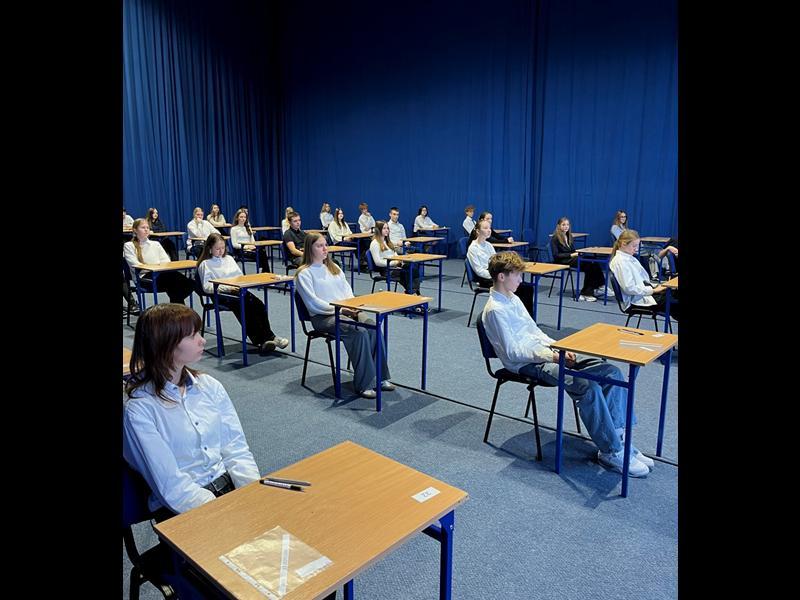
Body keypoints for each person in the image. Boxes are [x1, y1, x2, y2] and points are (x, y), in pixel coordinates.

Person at [481, 252, 654, 477]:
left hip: (545, 354)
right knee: (587, 386)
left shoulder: (513, 298)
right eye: (517, 275)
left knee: (611, 373)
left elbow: (534, 331)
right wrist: (551, 356)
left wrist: (558, 347)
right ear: (502, 277)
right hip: (525, 364)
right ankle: (611, 451)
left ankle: (619, 440)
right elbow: (514, 351)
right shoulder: (495, 310)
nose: (521, 280)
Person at [123, 303, 262, 518]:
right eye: (192, 335)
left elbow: (236, 448)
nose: (202, 340)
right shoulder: (140, 409)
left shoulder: (209, 386)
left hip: (228, 489)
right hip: (184, 508)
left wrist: (252, 492)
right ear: (165, 344)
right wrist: (223, 511)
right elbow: (171, 486)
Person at [295, 233, 393, 400]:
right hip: (323, 317)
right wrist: (341, 310)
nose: (325, 249)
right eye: (319, 246)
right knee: (359, 332)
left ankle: (380, 377)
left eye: (325, 245)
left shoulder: (334, 267)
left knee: (372, 326)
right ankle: (365, 383)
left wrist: (353, 306)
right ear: (309, 249)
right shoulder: (304, 273)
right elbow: (313, 303)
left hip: (346, 309)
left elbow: (347, 290)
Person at [197, 233, 289, 353]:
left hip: (237, 290)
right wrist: (226, 288)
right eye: (217, 249)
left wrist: (239, 285)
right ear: (209, 249)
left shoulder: (229, 259)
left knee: (259, 305)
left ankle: (269, 337)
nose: (221, 251)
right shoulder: (205, 264)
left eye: (223, 248)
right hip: (221, 295)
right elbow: (206, 287)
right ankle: (264, 340)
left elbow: (240, 276)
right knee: (245, 309)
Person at [609, 229, 679, 321]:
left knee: (676, 294)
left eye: (637, 245)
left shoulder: (629, 258)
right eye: (634, 246)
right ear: (623, 244)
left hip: (644, 294)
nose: (636, 249)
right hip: (637, 301)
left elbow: (643, 281)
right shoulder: (620, 262)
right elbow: (629, 288)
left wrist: (657, 287)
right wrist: (653, 290)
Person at [467, 220, 534, 313]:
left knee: (528, 288)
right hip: (486, 279)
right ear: (478, 231)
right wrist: (496, 275)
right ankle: (516, 315)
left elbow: (496, 263)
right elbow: (479, 271)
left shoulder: (488, 245)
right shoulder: (473, 248)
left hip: (496, 274)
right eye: (485, 228)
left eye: (489, 228)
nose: (489, 230)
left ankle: (525, 317)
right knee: (522, 289)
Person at [124, 219, 194, 304]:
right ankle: (177, 307)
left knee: (186, 283)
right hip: (143, 278)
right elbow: (134, 265)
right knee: (175, 281)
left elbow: (166, 261)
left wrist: (158, 268)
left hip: (161, 275)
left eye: (147, 228)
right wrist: (154, 267)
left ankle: (175, 306)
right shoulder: (129, 245)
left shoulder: (155, 244)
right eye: (143, 228)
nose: (146, 230)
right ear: (135, 230)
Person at [550, 216, 608, 302]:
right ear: (559, 226)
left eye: (567, 225)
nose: (566, 226)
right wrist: (571, 255)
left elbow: (573, 251)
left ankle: (600, 285)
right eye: (563, 225)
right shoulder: (555, 238)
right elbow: (556, 255)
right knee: (589, 264)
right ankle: (586, 293)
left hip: (571, 258)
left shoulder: (569, 236)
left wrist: (579, 252)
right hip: (563, 261)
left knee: (593, 261)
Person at [369, 220, 420, 294]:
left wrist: (400, 261)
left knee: (413, 266)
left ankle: (412, 292)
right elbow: (378, 262)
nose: (387, 230)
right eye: (384, 228)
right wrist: (394, 263)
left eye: (387, 228)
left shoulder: (388, 242)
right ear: (378, 230)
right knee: (408, 270)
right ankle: (411, 292)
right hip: (386, 270)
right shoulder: (375, 243)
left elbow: (395, 254)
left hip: (395, 266)